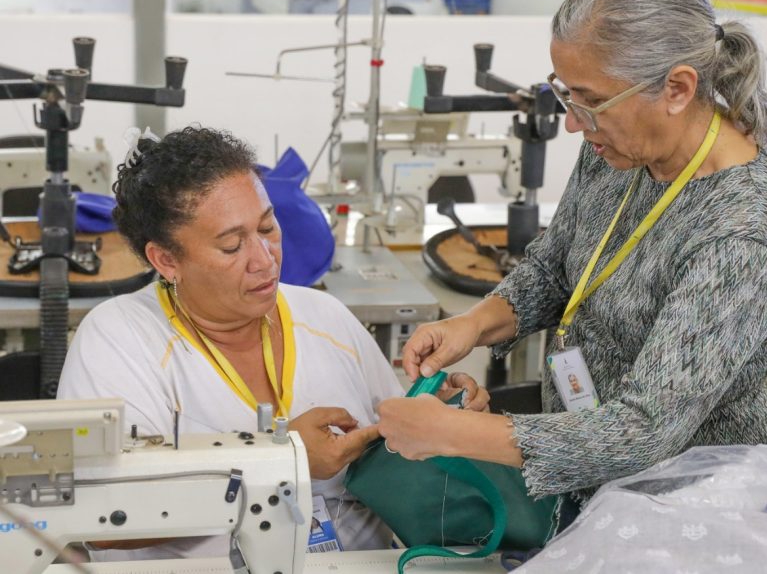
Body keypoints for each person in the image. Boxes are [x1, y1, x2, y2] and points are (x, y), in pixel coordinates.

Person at [377, 0, 767, 530]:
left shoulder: (746, 229)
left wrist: (453, 433)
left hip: (687, 519)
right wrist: (473, 325)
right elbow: (553, 270)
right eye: (567, 95)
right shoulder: (618, 150)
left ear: (677, 88)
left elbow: (644, 431)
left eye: (589, 101)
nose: (574, 123)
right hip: (590, 499)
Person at [57, 126, 487, 559]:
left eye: (268, 226)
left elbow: (403, 448)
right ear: (166, 259)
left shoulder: (325, 317)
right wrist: (283, 464)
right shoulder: (121, 340)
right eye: (231, 246)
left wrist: (442, 418)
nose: (265, 259)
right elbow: (105, 521)